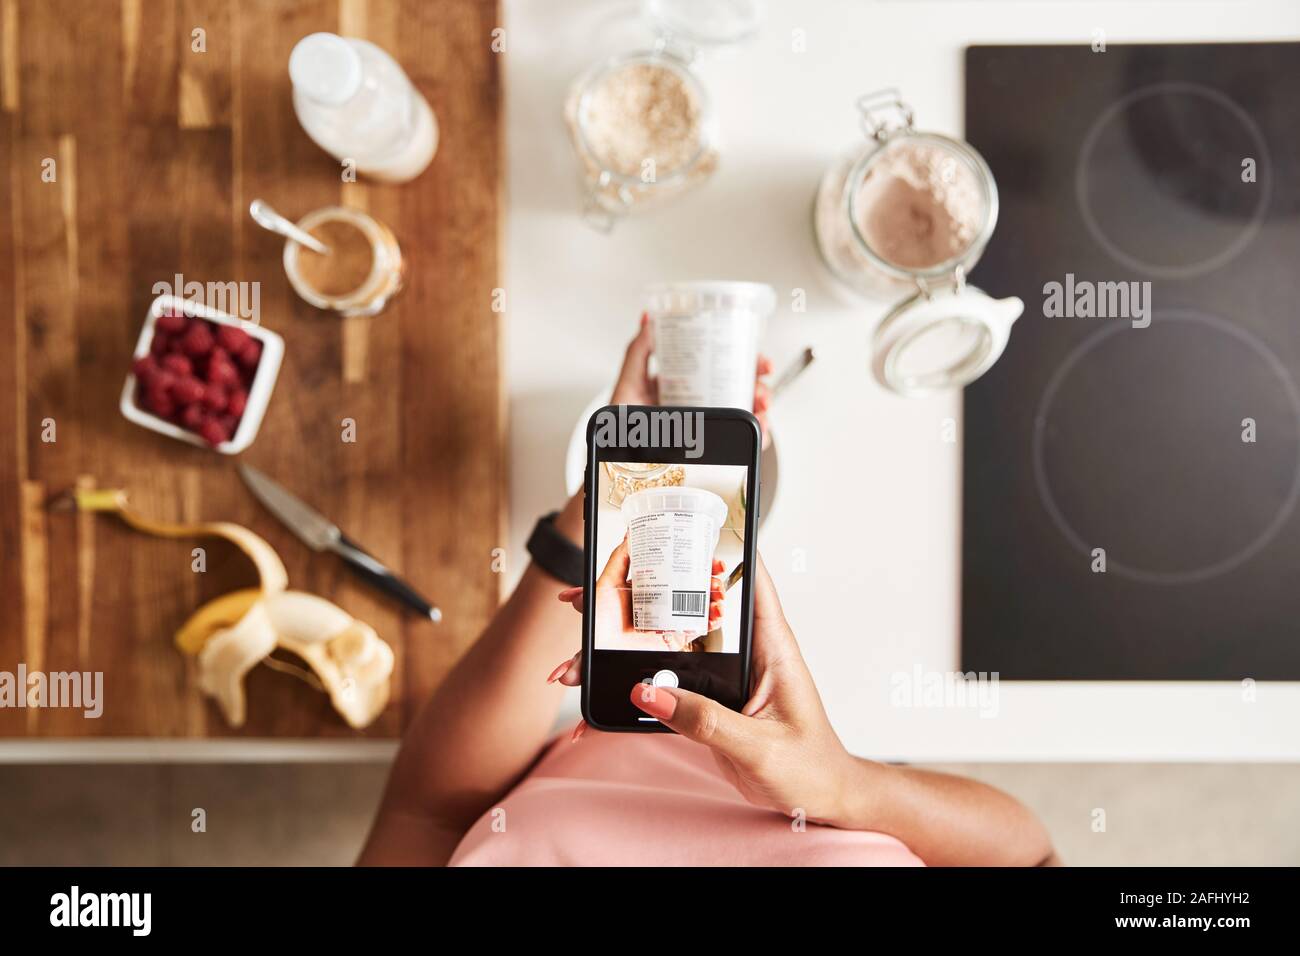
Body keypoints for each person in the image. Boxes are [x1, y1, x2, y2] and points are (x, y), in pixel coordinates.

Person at [358, 317, 1059, 867]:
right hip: (839, 758)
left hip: (605, 702)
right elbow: (1030, 855)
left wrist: (598, 505)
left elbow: (428, 816)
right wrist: (841, 786)